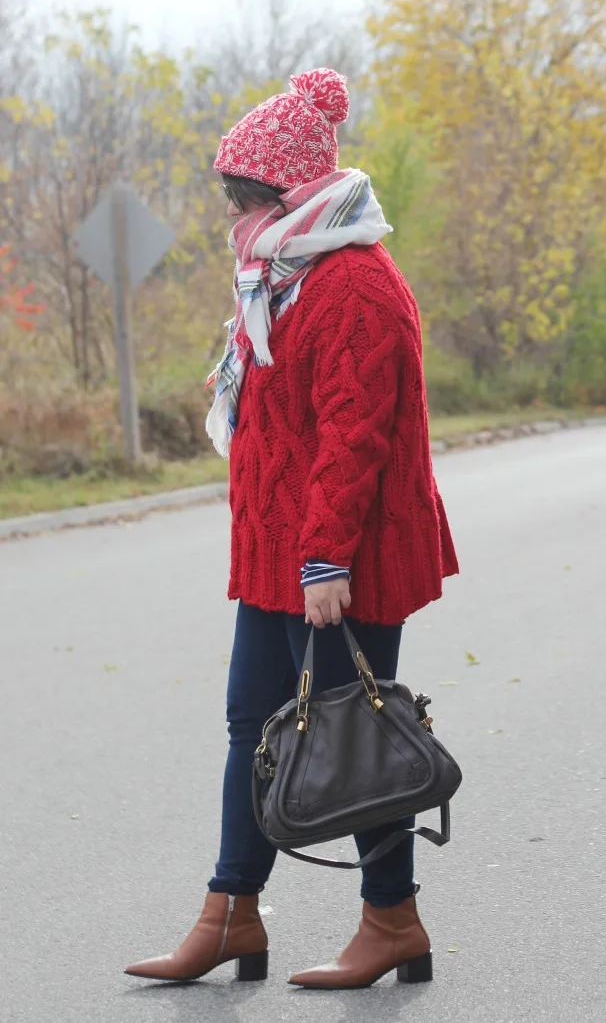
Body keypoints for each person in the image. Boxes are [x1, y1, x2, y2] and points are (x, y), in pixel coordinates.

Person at [125, 68, 458, 989]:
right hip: (279, 547)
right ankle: (229, 914)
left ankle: (392, 920)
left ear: (294, 190)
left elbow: (354, 436)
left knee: (351, 733)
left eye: (247, 196)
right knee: (252, 726)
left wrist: (323, 558)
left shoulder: (353, 282)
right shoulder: (284, 272)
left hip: (337, 554)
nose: (237, 213)